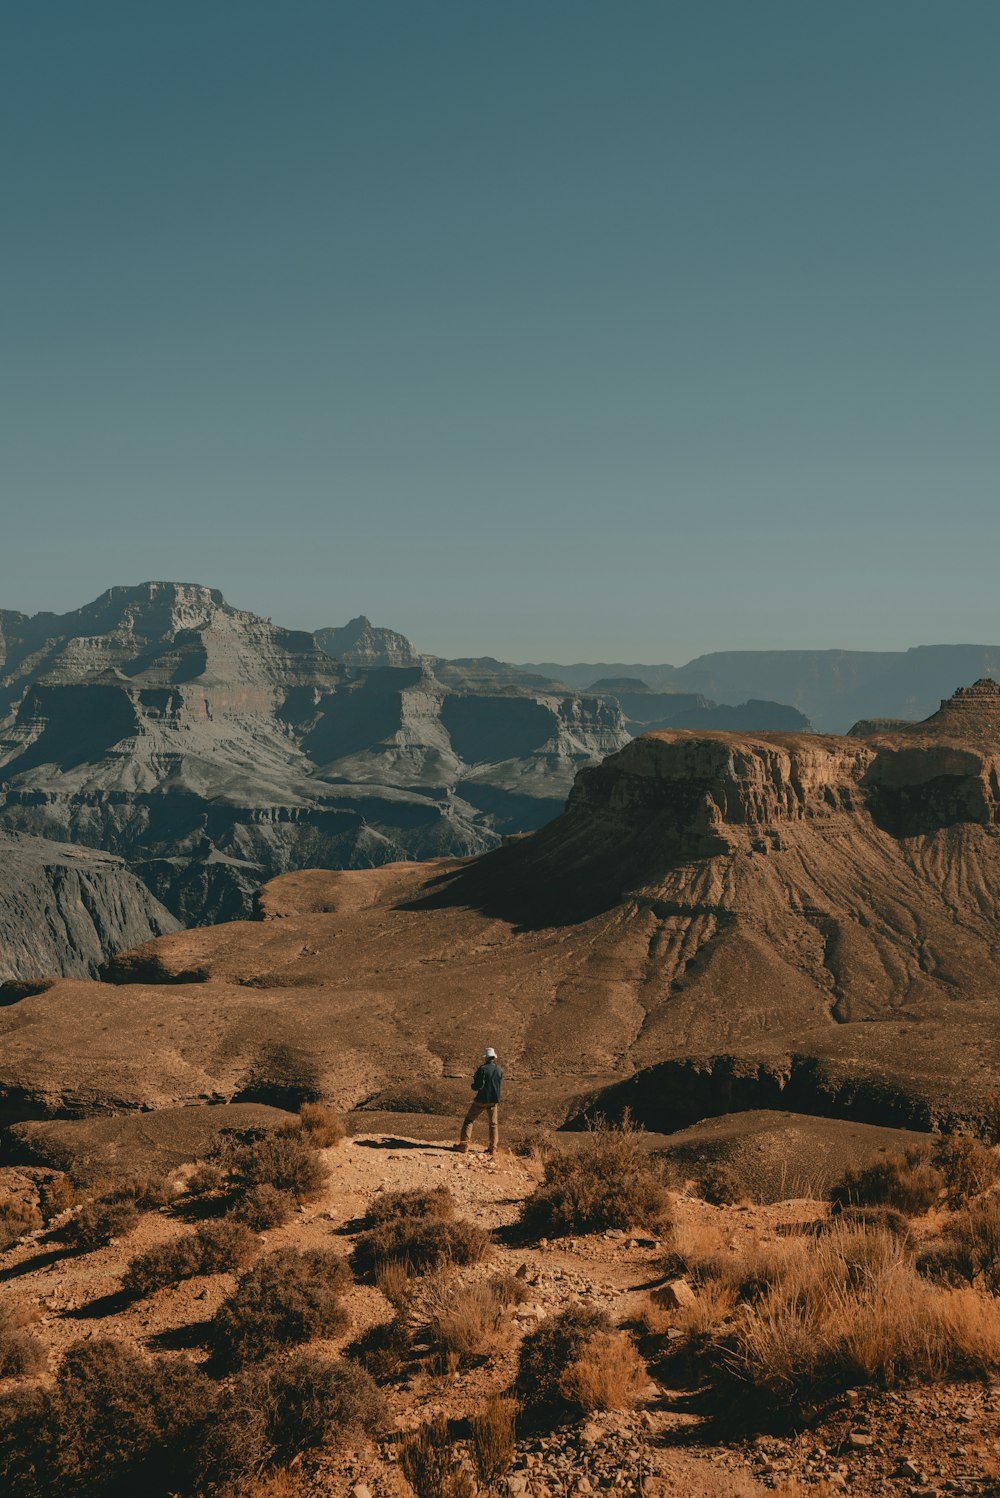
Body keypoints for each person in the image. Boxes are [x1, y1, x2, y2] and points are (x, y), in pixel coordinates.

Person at [457, 1046, 503, 1155]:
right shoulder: (499, 1069)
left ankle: (464, 1144)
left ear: (486, 1058)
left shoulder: (482, 1069)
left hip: (481, 1099)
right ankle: (493, 1148)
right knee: (493, 1124)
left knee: (469, 1120)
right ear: (494, 1057)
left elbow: (477, 1086)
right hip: (494, 1099)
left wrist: (473, 1085)